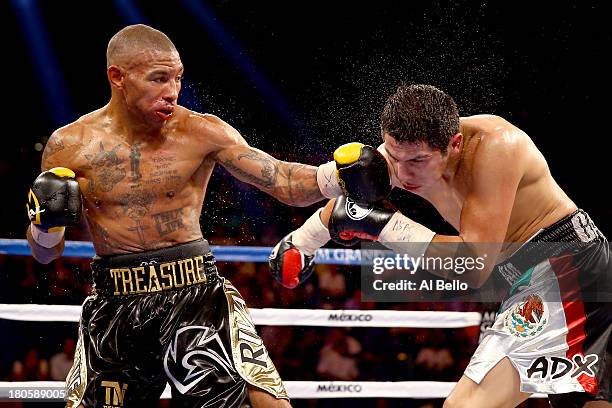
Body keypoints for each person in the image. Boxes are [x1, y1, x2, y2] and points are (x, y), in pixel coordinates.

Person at [26, 24, 343, 408]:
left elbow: (286, 182)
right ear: (117, 77)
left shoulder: (200, 131)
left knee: (264, 404)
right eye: (159, 78)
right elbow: (46, 255)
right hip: (115, 302)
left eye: (177, 77)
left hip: (194, 294)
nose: (172, 91)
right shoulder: (69, 146)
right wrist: (45, 228)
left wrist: (342, 176)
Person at [269, 84, 611, 407]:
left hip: (563, 268)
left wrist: (385, 226)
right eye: (394, 156)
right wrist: (301, 241)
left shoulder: (497, 146)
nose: (402, 173)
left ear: (455, 144)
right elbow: (347, 201)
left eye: (417, 161)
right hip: (542, 276)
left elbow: (475, 265)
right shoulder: (401, 157)